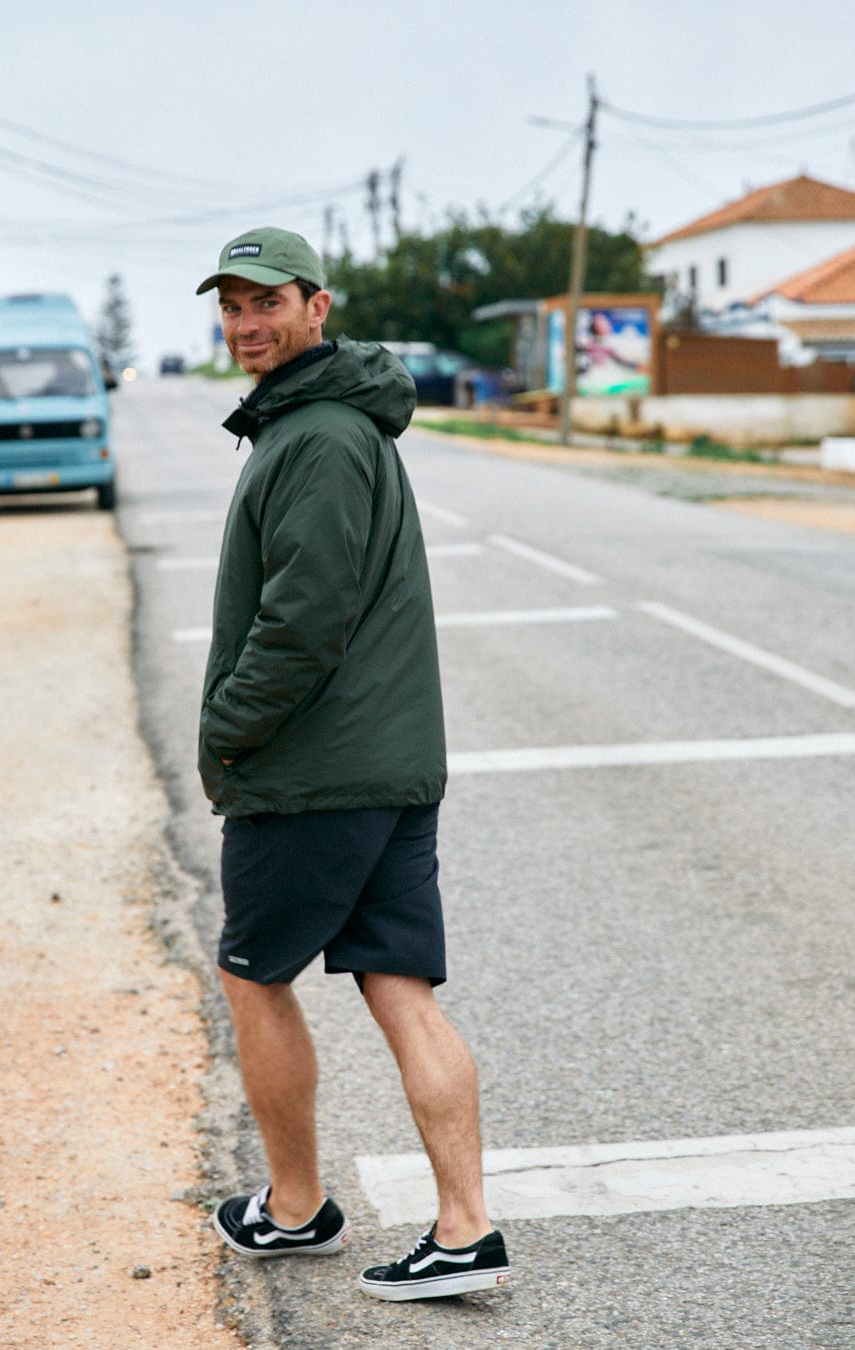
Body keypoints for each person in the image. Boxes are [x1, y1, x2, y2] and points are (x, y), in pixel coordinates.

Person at [195, 226, 510, 1301]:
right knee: (399, 986)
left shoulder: (321, 436)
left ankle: (292, 1210)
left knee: (252, 975)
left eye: (265, 304)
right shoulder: (321, 422)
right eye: (231, 307)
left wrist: (227, 730)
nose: (246, 325)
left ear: (316, 308)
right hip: (382, 762)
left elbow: (303, 621)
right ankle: (465, 1229)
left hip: (316, 771)